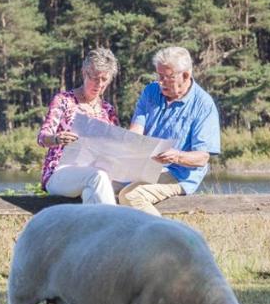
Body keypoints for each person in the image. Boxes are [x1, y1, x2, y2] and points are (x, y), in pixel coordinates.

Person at [119, 46, 221, 216]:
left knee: (131, 196)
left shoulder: (204, 105)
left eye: (168, 77)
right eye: (159, 76)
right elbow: (136, 130)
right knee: (103, 183)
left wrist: (176, 156)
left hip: (178, 174)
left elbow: (202, 158)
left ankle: (164, 239)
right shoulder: (151, 91)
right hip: (145, 167)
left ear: (186, 75)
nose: (161, 82)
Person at [36, 48, 121, 204]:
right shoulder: (63, 100)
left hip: (95, 176)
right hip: (59, 173)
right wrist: (56, 139)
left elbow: (115, 148)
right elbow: (42, 138)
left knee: (92, 193)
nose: (99, 84)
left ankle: (96, 228)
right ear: (84, 73)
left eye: (104, 80)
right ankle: (117, 226)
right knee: (98, 176)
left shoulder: (108, 110)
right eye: (95, 78)